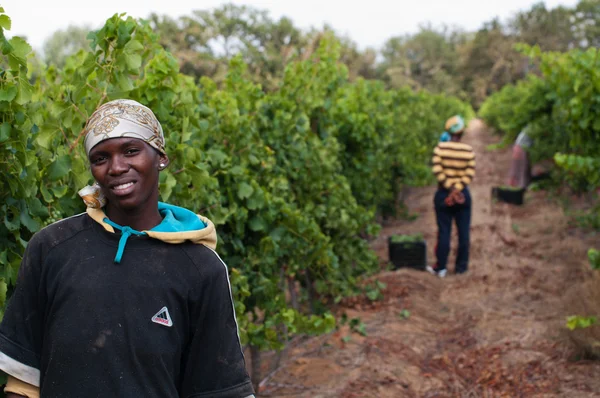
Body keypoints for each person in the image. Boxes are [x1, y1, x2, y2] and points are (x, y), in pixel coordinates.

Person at [0, 99, 255, 398]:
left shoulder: (201, 268)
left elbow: (219, 389)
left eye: (131, 151)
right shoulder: (52, 248)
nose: (117, 167)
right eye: (100, 158)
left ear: (161, 157)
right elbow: (24, 382)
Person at [427, 115, 476, 278]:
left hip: (443, 195)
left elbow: (437, 170)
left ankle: (441, 267)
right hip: (463, 195)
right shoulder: (468, 151)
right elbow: (470, 173)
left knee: (444, 231)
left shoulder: (440, 148)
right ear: (462, 133)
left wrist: (450, 188)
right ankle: (461, 268)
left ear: (448, 131)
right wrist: (458, 189)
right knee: (463, 232)